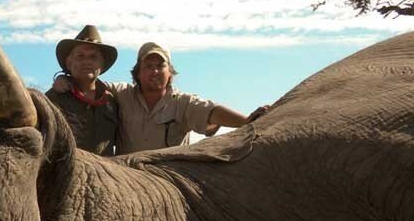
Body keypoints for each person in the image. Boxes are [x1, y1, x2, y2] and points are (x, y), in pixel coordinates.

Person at [52, 41, 270, 154]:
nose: (154, 71)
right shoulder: (121, 93)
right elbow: (90, 81)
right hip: (125, 181)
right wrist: (65, 78)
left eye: (160, 66)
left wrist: (247, 122)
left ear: (170, 72)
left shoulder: (183, 102)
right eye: (148, 66)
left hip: (169, 183)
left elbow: (212, 111)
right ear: (138, 72)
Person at [46, 25, 119, 156]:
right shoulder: (53, 98)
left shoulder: (112, 101)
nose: (87, 62)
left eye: (93, 57)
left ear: (102, 65)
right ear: (69, 63)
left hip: (105, 174)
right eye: (80, 56)